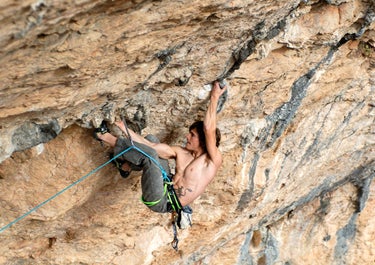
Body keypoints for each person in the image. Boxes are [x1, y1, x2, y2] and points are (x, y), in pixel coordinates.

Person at [94, 81, 226, 214]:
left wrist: (214, 97)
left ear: (204, 141)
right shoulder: (181, 153)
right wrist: (123, 127)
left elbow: (209, 128)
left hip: (161, 200)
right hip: (165, 184)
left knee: (150, 156)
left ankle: (104, 136)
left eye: (192, 135)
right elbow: (150, 146)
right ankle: (125, 166)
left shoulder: (212, 161)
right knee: (152, 141)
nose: (187, 137)